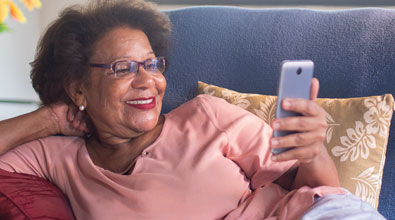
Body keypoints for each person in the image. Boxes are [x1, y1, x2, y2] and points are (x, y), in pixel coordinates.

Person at [0, 0, 385, 219]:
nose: (147, 80)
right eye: (123, 68)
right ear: (77, 87)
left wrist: (312, 150)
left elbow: (321, 194)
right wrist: (49, 118)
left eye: (152, 64)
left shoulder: (206, 115)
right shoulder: (60, 158)